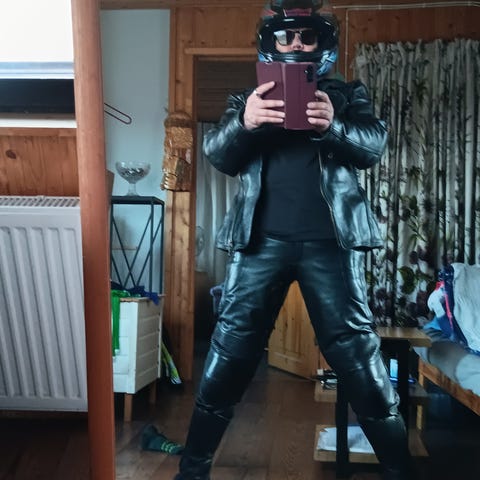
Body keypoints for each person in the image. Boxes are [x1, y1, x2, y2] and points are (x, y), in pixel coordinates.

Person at [174, 1, 414, 479]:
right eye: (287, 37)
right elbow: (218, 155)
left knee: (359, 360)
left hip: (331, 245)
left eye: (307, 36)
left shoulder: (347, 94)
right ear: (272, 42)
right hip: (258, 245)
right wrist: (245, 122)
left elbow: (373, 147)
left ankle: (401, 473)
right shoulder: (247, 99)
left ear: (323, 42)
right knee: (229, 355)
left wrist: (334, 125)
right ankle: (191, 471)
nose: (297, 44)